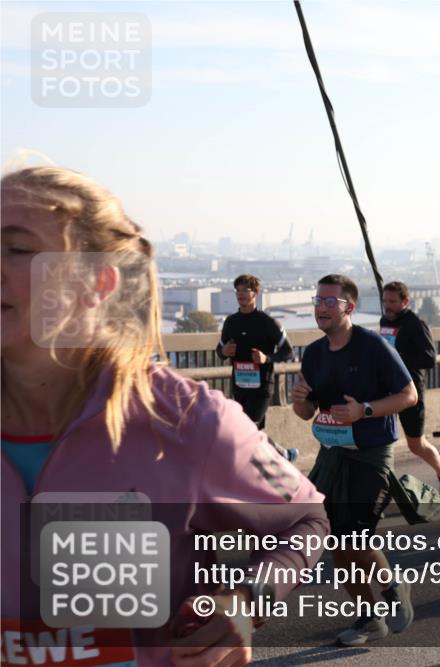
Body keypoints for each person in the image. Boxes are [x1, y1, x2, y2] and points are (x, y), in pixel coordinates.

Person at [1, 166, 328, 666]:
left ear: (97, 283)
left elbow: (306, 519)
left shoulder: (187, 422)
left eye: (17, 248)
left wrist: (247, 600)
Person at [293, 274, 419, 645]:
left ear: (349, 307)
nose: (321, 307)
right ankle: (369, 617)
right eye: (318, 300)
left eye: (330, 301)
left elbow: (409, 395)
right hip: (332, 454)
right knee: (336, 541)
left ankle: (393, 588)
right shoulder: (314, 353)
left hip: (371, 453)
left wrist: (363, 410)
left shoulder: (372, 346)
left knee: (355, 536)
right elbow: (305, 412)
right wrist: (299, 401)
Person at [380, 281, 440, 501]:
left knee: (416, 444)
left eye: (392, 301)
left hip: (410, 392)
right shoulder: (385, 321)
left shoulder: (415, 323)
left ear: (405, 301)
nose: (387, 306)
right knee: (381, 441)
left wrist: (397, 357)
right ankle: (382, 488)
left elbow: (429, 358)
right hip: (386, 390)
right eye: (385, 301)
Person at [217, 273, 298, 461]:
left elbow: (288, 352)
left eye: (245, 290)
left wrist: (266, 358)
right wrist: (224, 351)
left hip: (262, 387)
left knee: (248, 429)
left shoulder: (267, 322)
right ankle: (284, 455)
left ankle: (264, 463)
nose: (241, 294)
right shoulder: (231, 322)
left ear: (255, 293)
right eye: (238, 290)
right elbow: (219, 351)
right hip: (239, 386)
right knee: (253, 432)